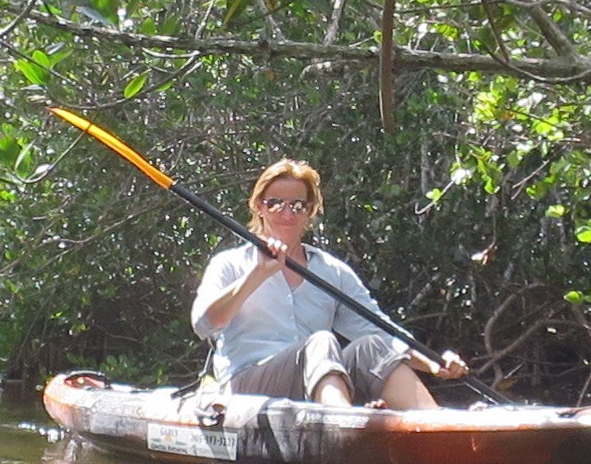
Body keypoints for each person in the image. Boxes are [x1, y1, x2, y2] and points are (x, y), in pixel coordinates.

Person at [190, 158, 467, 408]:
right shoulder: (229, 264)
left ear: (310, 211)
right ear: (259, 207)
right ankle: (343, 425)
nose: (287, 214)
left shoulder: (332, 270)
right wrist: (257, 275)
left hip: (317, 381)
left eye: (298, 205)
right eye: (275, 203)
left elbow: (379, 328)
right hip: (248, 386)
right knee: (321, 342)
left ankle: (435, 423)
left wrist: (433, 364)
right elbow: (204, 324)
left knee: (372, 346)